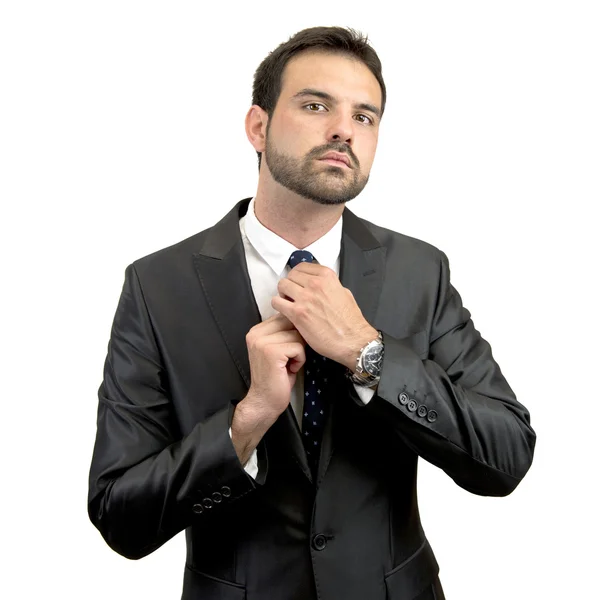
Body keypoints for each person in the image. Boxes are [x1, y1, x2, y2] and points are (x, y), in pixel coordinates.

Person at [88, 26, 536, 600]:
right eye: (316, 104)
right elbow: (120, 517)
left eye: (365, 116)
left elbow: (505, 456)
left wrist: (369, 355)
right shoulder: (157, 286)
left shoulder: (420, 272)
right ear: (258, 126)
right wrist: (244, 423)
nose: (343, 130)